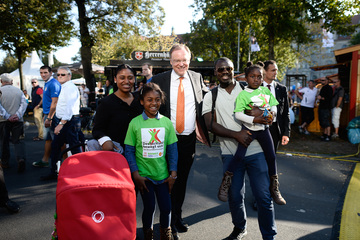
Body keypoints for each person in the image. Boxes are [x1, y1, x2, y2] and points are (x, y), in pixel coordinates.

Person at [202, 58, 277, 240]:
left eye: (228, 69)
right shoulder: (210, 96)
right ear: (215, 72)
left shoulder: (247, 89)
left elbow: (268, 112)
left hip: (256, 150)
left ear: (234, 70)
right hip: (230, 152)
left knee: (264, 197)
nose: (225, 72)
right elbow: (210, 124)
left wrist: (264, 113)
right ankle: (240, 228)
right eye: (221, 69)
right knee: (235, 197)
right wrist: (236, 135)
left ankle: (269, 235)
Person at [152, 44, 208, 240]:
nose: (181, 64)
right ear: (170, 61)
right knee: (166, 182)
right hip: (165, 141)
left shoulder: (197, 78)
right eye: (176, 60)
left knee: (181, 181)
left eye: (184, 60)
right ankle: (167, 224)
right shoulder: (159, 80)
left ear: (189, 60)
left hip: (188, 139)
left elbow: (206, 102)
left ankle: (177, 217)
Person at [218, 61, 286, 205]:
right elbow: (238, 115)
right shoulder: (243, 94)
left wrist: (267, 116)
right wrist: (255, 119)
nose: (256, 79)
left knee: (271, 156)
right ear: (246, 78)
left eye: (259, 77)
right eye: (252, 76)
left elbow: (274, 111)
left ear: (263, 78)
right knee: (238, 156)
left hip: (264, 130)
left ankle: (274, 187)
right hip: (248, 130)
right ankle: (225, 184)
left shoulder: (266, 92)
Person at [124, 83, 178, 240]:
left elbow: (172, 149)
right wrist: (135, 174)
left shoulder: (166, 122)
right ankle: (148, 233)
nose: (154, 103)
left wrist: (173, 172)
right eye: (149, 100)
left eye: (157, 99)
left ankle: (165, 233)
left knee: (167, 208)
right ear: (141, 101)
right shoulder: (135, 123)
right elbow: (129, 151)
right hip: (144, 177)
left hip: (163, 176)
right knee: (149, 208)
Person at [41, 67, 81, 181]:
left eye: (62, 75)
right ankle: (54, 171)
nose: (59, 77)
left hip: (69, 121)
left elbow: (70, 107)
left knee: (74, 148)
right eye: (58, 75)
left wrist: (61, 123)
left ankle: (79, 172)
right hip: (65, 121)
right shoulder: (64, 87)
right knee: (57, 147)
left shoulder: (70, 88)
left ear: (69, 75)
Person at [91, 64, 143, 152]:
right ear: (115, 79)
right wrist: (105, 140)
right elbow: (97, 130)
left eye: (130, 78)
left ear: (134, 79)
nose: (126, 81)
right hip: (117, 154)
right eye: (122, 78)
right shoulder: (106, 103)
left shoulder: (140, 100)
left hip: (140, 153)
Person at [32, 66, 61, 168]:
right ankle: (45, 160)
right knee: (49, 139)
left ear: (51, 72)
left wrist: (49, 117)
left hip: (53, 116)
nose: (43, 74)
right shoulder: (47, 83)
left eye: (45, 72)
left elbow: (55, 102)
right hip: (48, 115)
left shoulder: (53, 83)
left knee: (59, 140)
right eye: (41, 72)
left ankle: (66, 162)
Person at [0, 73, 27, 173]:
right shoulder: (19, 91)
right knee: (18, 141)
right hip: (18, 120)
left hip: (3, 121)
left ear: (1, 81)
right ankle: (20, 158)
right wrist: (18, 115)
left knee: (4, 141)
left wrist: (7, 116)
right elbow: (24, 104)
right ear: (11, 81)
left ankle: (5, 161)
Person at [262, 60, 290, 151]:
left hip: (275, 129)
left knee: (271, 158)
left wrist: (286, 133)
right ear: (264, 71)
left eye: (276, 70)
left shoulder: (282, 89)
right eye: (273, 70)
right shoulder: (256, 87)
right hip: (259, 128)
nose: (276, 73)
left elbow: (286, 112)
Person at [317, 77, 333, 142]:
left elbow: (329, 98)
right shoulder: (323, 87)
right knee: (322, 121)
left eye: (323, 80)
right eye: (321, 80)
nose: (322, 81)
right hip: (322, 106)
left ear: (327, 81)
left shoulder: (329, 88)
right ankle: (325, 134)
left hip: (326, 107)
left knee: (326, 121)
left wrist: (321, 98)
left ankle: (328, 135)